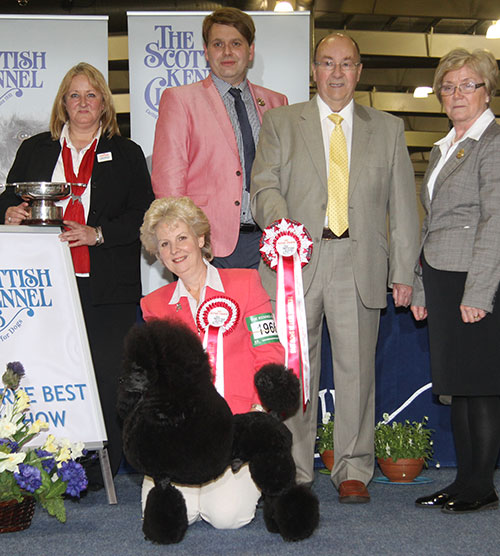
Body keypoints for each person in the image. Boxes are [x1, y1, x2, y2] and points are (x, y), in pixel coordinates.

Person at [251, 33, 419, 502]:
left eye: (347, 63)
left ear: (360, 72)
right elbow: (262, 184)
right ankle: (295, 468)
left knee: (356, 372)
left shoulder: (388, 128)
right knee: (294, 374)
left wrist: (404, 269)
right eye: (328, 63)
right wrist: (283, 230)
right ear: (314, 70)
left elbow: (403, 205)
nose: (338, 73)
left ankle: (353, 469)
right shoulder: (281, 123)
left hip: (359, 263)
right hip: (295, 261)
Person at [0, 62, 154, 489]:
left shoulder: (126, 153)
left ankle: (102, 471)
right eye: (74, 95)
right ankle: (43, 467)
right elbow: (7, 197)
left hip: (108, 288)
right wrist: (9, 212)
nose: (83, 103)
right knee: (49, 375)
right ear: (62, 104)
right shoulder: (36, 148)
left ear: (104, 104)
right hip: (43, 286)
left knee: (108, 378)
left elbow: (144, 212)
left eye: (91, 95)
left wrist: (98, 233)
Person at [139, 196, 285, 527]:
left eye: (181, 238)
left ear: (201, 239)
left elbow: (269, 352)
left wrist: (258, 415)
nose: (175, 249)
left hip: (237, 425)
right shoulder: (153, 305)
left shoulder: (246, 285)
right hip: (182, 432)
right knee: (176, 515)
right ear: (158, 254)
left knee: (226, 516)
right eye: (164, 243)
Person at [411, 48, 500, 514]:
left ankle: (480, 486)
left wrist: (480, 293)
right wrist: (423, 286)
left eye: (468, 84)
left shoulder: (494, 142)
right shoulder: (445, 146)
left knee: (481, 386)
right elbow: (432, 225)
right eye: (448, 86)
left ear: (488, 91)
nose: (456, 93)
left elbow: (496, 221)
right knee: (459, 386)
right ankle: (464, 482)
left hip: (475, 278)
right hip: (444, 278)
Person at [151, 7, 288, 269]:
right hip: (208, 245)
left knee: (266, 312)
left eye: (236, 43)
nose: (227, 52)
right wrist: (180, 241)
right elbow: (169, 183)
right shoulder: (180, 100)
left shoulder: (276, 102)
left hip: (270, 242)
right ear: (206, 51)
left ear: (250, 51)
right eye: (218, 44)